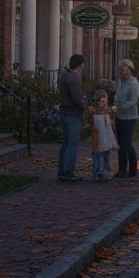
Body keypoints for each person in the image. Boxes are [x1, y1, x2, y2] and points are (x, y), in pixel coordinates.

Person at [57, 54, 87, 182]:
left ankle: (62, 170)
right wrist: (85, 107)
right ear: (80, 65)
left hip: (64, 112)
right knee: (72, 144)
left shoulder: (63, 76)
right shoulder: (75, 78)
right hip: (73, 114)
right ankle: (68, 172)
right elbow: (77, 97)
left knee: (65, 143)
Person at [113, 59, 139, 179]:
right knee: (120, 144)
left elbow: (133, 101)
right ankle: (122, 169)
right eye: (119, 69)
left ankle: (133, 169)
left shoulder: (133, 83)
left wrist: (121, 106)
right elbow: (117, 95)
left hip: (130, 117)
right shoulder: (119, 82)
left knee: (127, 141)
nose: (120, 72)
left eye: (122, 69)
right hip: (119, 115)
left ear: (129, 70)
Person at [89, 90, 118, 181]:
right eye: (101, 101)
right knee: (98, 154)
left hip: (107, 137)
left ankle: (105, 170)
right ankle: (97, 171)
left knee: (106, 154)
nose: (103, 103)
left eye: (104, 101)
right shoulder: (95, 113)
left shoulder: (108, 113)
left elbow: (111, 124)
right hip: (99, 137)